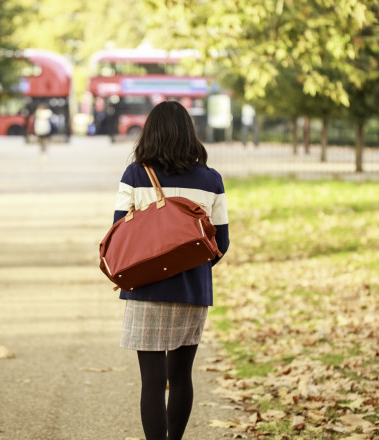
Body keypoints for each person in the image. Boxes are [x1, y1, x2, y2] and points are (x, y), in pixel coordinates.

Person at [112, 101, 230, 440]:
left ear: (150, 133)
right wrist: (188, 266)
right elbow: (220, 241)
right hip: (192, 290)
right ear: (188, 134)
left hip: (145, 288)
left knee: (151, 382)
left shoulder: (135, 174)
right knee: (181, 378)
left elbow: (119, 232)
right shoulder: (211, 180)